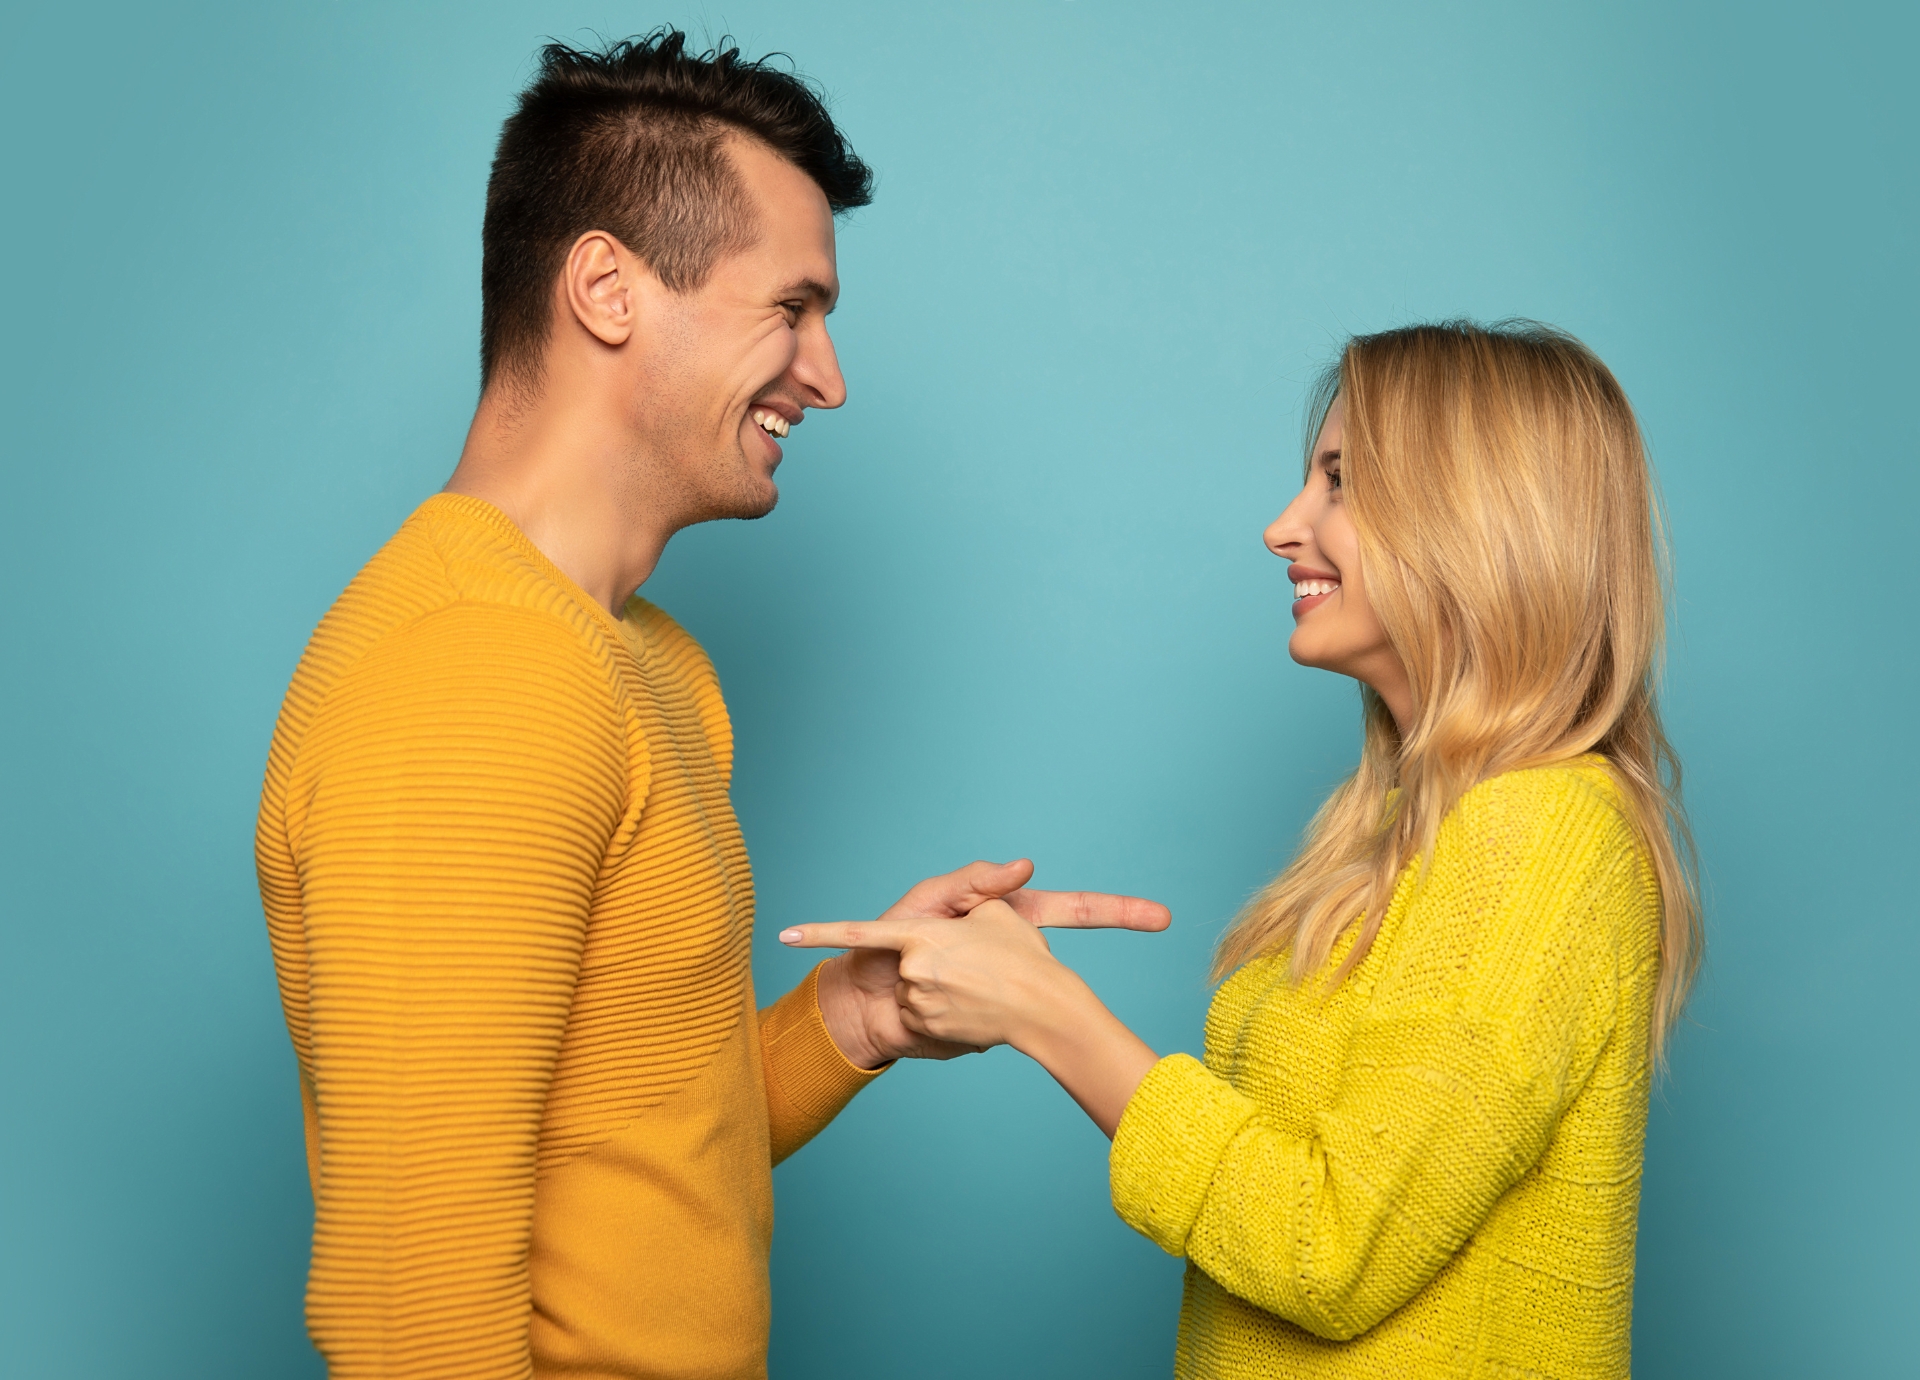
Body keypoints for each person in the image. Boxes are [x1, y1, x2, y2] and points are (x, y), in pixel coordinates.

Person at [253, 31, 1168, 1380]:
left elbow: (641, 1147)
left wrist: (858, 1017)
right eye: (791, 308)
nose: (828, 376)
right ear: (607, 289)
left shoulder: (644, 660)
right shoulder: (472, 671)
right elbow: (408, 1310)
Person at [785, 320, 1702, 1378]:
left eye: (1339, 483)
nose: (1282, 527)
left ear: (1477, 519)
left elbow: (1329, 1250)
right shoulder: (1407, 827)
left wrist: (1046, 1013)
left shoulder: (1543, 832)